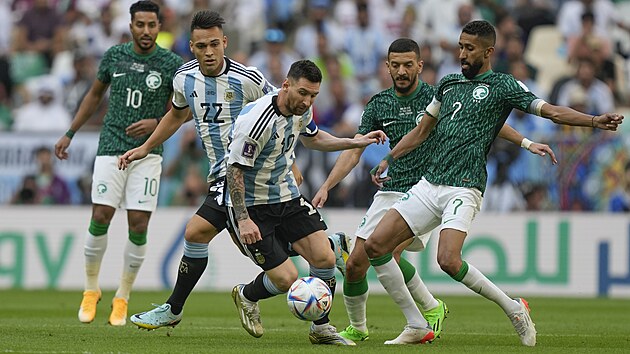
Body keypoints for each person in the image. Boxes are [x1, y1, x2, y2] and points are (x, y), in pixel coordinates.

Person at [367, 20, 623, 346]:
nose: (461, 53)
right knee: (376, 246)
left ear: (488, 51)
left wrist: (593, 121)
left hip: (464, 185)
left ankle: (513, 308)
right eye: (460, 46)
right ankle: (417, 324)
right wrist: (389, 157)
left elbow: (552, 113)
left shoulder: (503, 86)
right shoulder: (448, 84)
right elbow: (421, 131)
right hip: (429, 184)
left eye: (469, 48)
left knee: (447, 260)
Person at [311, 38, 556, 343]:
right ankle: (374, 323)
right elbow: (354, 150)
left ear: (420, 66)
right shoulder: (379, 103)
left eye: (408, 65)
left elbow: (488, 120)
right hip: (390, 190)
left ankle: (418, 317)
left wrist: (525, 142)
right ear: (387, 67)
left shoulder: (440, 93)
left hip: (425, 187)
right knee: (358, 263)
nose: (401, 71)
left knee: (383, 251)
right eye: (395, 65)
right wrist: (327, 185)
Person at [118, 11, 347, 331]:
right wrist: (145, 147)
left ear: (224, 43)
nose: (208, 51)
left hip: (249, 177)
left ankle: (184, 306)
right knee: (196, 234)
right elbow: (176, 114)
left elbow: (283, 112)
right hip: (221, 175)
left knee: (274, 262)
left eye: (214, 44)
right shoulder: (184, 78)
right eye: (201, 46)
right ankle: (174, 309)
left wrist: (289, 159)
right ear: (192, 47)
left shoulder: (249, 78)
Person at [227, 59, 386, 346]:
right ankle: (247, 295)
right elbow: (234, 170)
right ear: (286, 85)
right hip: (253, 205)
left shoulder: (303, 110)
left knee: (325, 258)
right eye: (302, 93)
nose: (307, 101)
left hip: (286, 197)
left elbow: (313, 139)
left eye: (313, 95)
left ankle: (321, 328)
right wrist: (242, 218)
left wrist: (355, 142)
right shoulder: (256, 122)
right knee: (287, 279)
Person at [54, 1, 183, 326]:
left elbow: (182, 110)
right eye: (140, 24)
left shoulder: (172, 64)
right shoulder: (114, 56)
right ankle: (90, 289)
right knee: (101, 214)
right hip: (111, 145)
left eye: (152, 25)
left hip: (148, 152)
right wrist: (70, 132)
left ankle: (122, 296)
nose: (146, 31)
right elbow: (94, 95)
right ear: (130, 25)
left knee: (138, 224)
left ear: (159, 26)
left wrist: (156, 123)